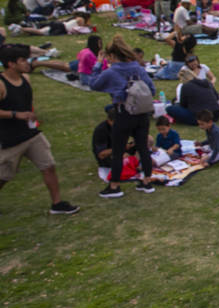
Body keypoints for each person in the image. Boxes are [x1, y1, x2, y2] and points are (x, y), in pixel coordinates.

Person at [0, 44, 79, 214]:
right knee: (4, 175)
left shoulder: (26, 79)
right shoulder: (1, 84)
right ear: (11, 64)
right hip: (10, 138)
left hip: (31, 133)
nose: (27, 63)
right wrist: (16, 114)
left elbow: (25, 101)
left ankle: (57, 204)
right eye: (22, 60)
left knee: (48, 165)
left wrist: (30, 115)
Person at [90, 36, 158, 197]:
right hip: (142, 113)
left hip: (124, 113)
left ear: (112, 56)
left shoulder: (112, 71)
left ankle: (114, 186)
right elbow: (152, 89)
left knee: (118, 150)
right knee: (143, 147)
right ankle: (147, 181)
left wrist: (98, 65)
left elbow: (94, 84)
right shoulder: (138, 68)